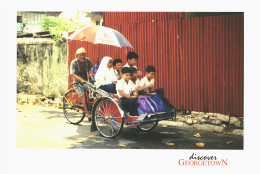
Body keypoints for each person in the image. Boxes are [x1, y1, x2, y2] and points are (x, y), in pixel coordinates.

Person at [70, 47, 93, 120]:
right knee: (83, 96)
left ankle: (92, 108)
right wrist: (81, 79)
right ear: (77, 56)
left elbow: (91, 68)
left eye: (84, 55)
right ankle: (88, 113)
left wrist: (91, 75)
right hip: (77, 82)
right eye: (81, 55)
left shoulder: (87, 61)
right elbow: (72, 74)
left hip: (86, 81)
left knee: (93, 93)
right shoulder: (74, 62)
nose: (83, 56)